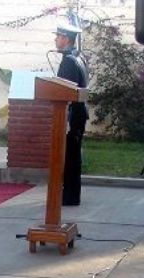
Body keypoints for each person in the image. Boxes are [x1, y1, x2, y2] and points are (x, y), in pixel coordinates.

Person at [54, 22, 89, 206]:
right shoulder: (79, 57)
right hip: (79, 114)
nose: (55, 39)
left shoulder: (68, 61)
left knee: (70, 158)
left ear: (65, 39)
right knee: (74, 157)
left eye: (58, 36)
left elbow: (64, 90)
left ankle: (69, 197)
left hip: (72, 116)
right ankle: (71, 195)